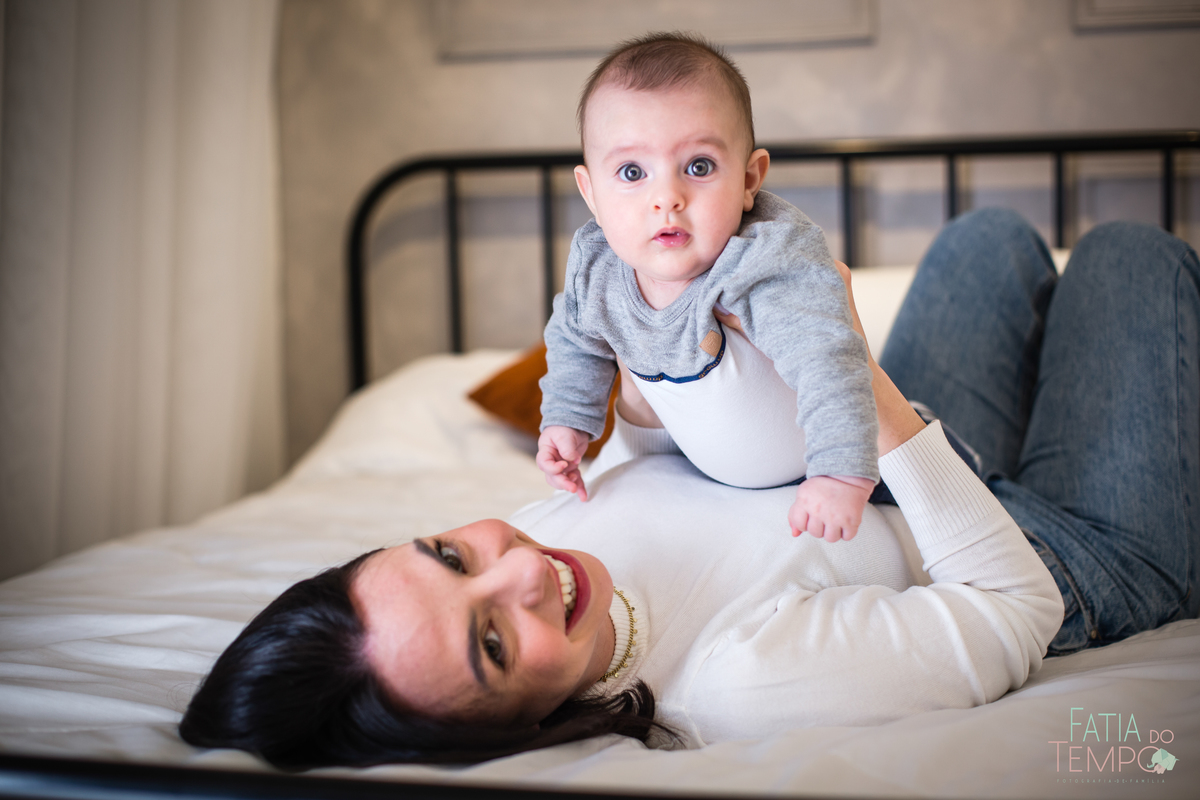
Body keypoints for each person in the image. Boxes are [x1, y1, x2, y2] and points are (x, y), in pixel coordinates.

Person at [179, 209, 1199, 768]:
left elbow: (666, 466)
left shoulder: (541, 531)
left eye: (450, 554)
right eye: (492, 641)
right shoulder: (734, 681)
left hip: (885, 460)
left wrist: (662, 388)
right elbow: (1015, 605)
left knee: (987, 236)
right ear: (497, 732)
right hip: (1045, 550)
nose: (523, 573)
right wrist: (851, 369)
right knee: (1124, 253)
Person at [537, 32, 878, 543]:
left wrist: (840, 472)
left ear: (748, 180)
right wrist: (568, 420)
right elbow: (574, 340)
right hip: (718, 481)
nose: (667, 198)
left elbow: (827, 358)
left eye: (698, 167)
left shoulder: (763, 259)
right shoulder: (598, 268)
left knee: (982, 488)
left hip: (847, 468)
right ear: (590, 193)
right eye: (632, 171)